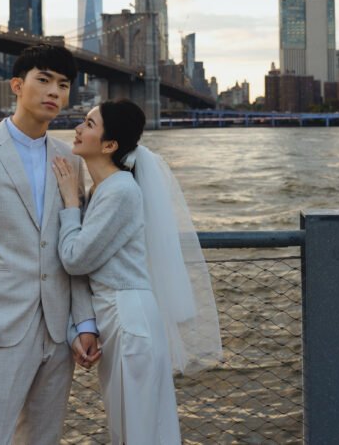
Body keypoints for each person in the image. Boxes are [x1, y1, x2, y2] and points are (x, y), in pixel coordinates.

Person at [0, 43, 100, 445]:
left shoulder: (71, 159)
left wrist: (84, 324)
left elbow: (72, 249)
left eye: (63, 85)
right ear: (16, 85)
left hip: (58, 335)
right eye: (43, 80)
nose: (54, 92)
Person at [53, 99, 222, 445]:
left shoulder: (121, 191)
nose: (78, 128)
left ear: (110, 145)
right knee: (131, 427)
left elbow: (75, 259)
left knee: (141, 430)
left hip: (129, 319)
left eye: (88, 123)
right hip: (119, 315)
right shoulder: (103, 189)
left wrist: (70, 204)